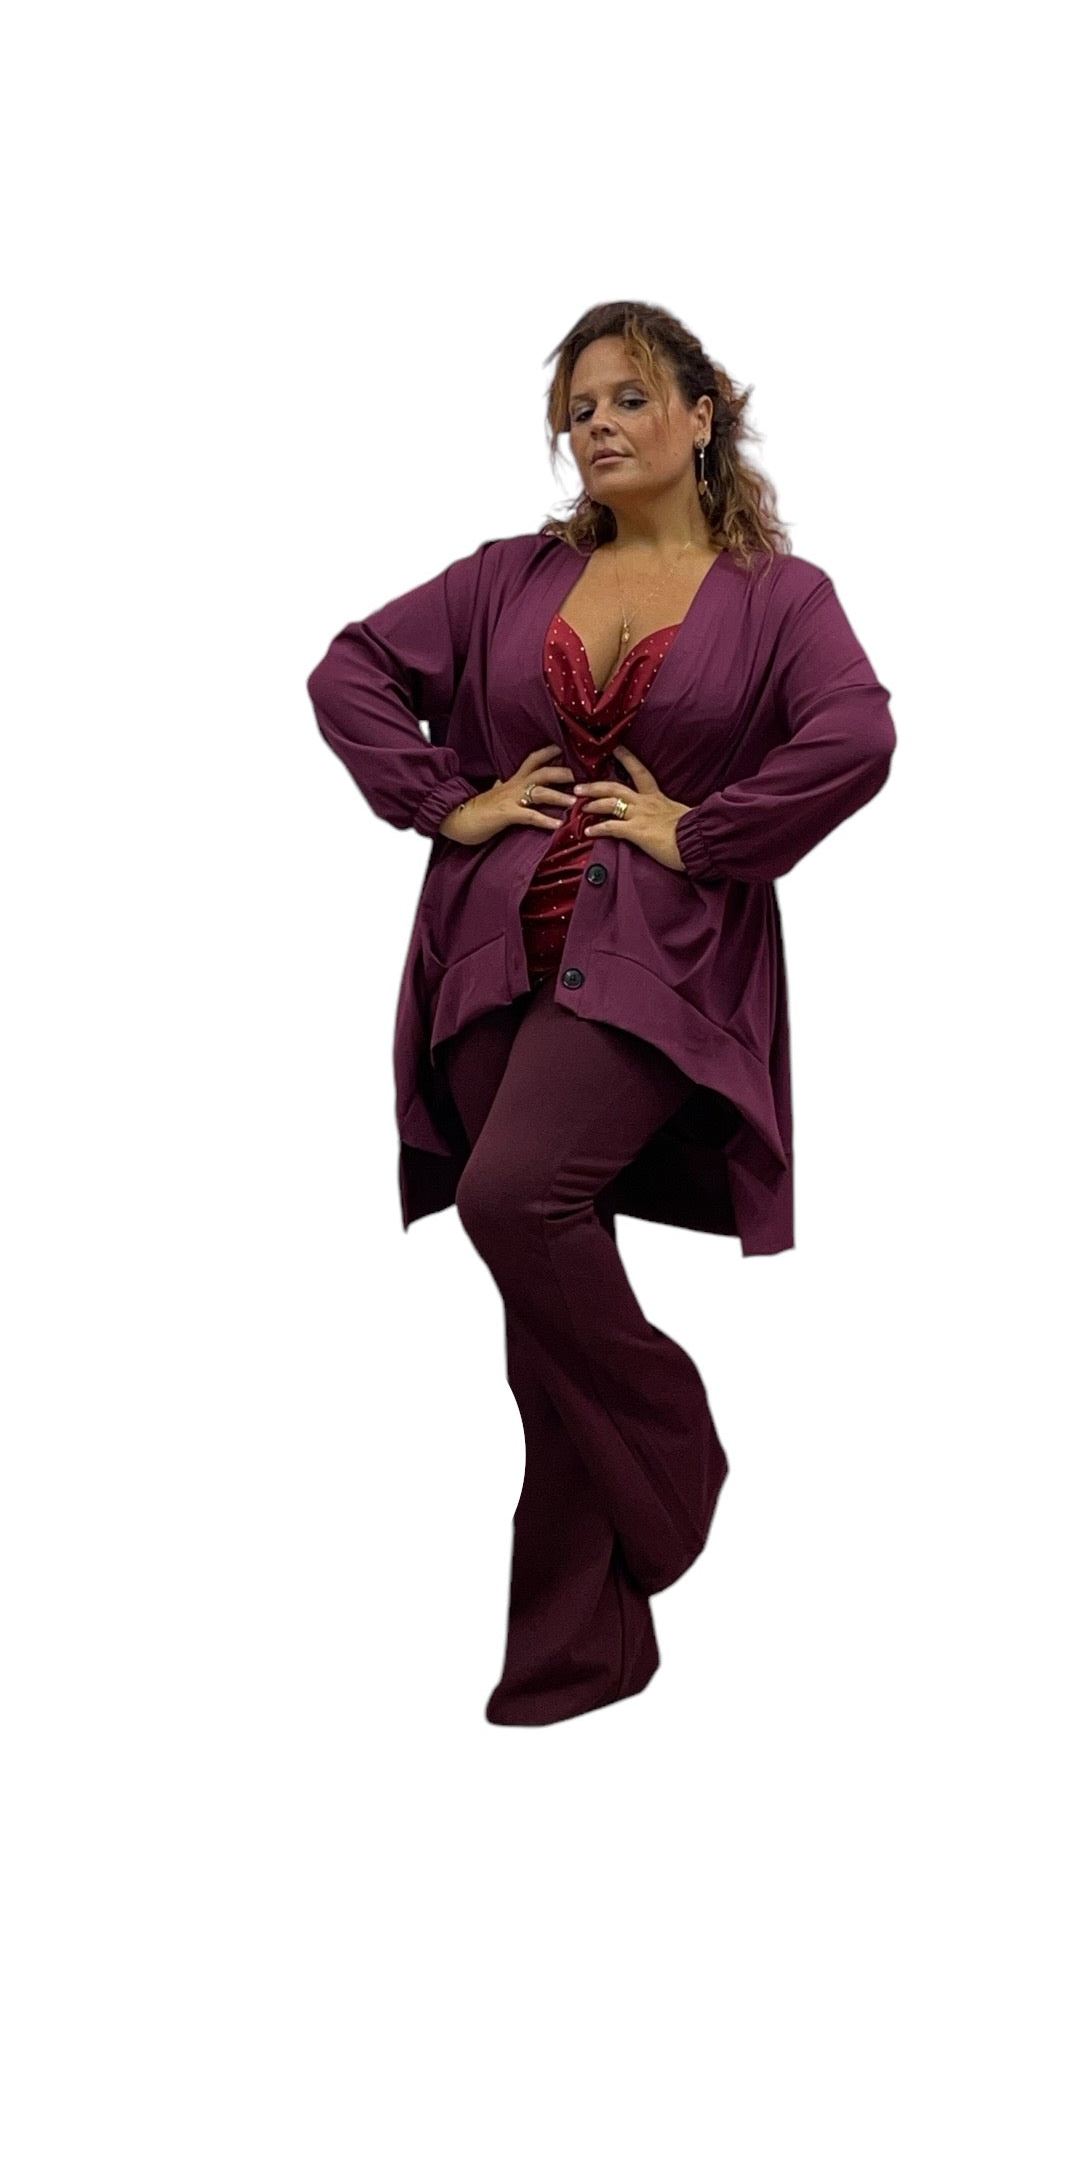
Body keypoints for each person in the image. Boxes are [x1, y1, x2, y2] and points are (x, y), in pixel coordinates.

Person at [306, 299, 897, 1728]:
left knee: (517, 1201)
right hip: (490, 957)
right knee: (543, 1319)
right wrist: (451, 801)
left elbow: (856, 732)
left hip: (655, 962)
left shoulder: (779, 599)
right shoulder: (506, 577)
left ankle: (677, 1456)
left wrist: (705, 833)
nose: (600, 427)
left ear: (703, 414)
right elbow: (352, 670)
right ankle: (576, 1659)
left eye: (630, 397)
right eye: (578, 409)